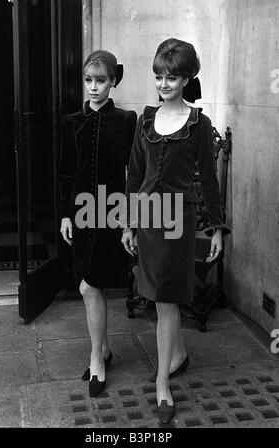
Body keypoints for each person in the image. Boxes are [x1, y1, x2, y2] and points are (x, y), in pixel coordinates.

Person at [122, 38, 230, 423]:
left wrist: (216, 228)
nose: (163, 83)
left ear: (187, 79)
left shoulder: (199, 124)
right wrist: (129, 223)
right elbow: (135, 173)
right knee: (156, 296)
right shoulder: (145, 119)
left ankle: (163, 383)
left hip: (178, 223)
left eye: (171, 77)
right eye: (158, 76)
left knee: (167, 299)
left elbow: (210, 180)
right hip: (149, 219)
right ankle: (179, 356)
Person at [59, 50, 137, 397]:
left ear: (113, 80)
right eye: (88, 81)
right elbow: (64, 172)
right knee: (90, 287)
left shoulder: (126, 120)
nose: (93, 88)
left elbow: (133, 173)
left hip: (110, 214)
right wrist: (64, 214)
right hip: (80, 214)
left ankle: (97, 358)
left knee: (91, 287)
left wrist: (130, 220)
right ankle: (102, 350)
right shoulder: (70, 122)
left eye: (101, 80)